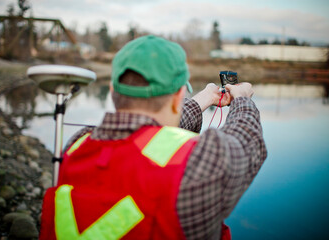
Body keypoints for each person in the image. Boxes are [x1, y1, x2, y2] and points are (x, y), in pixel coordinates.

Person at [40, 35, 267, 240]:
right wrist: (242, 99)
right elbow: (246, 141)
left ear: (112, 90)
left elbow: (144, 131)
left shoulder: (76, 143)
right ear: (179, 95)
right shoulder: (196, 168)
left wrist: (205, 99)